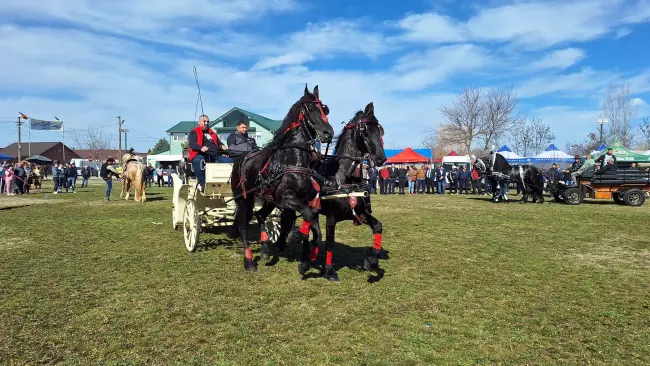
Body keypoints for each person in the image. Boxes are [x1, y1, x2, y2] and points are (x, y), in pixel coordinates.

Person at [188, 114, 227, 191]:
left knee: (230, 161)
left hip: (215, 156)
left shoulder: (212, 133)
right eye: (204, 121)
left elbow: (219, 143)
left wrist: (222, 146)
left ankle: (228, 183)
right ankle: (203, 184)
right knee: (198, 161)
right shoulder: (194, 132)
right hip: (202, 155)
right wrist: (201, 147)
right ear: (199, 122)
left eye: (207, 121)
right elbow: (192, 144)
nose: (206, 123)